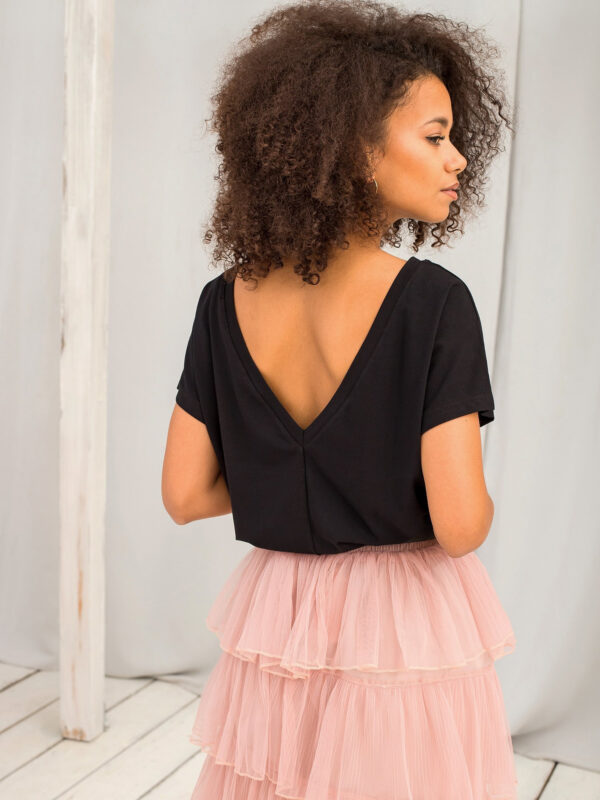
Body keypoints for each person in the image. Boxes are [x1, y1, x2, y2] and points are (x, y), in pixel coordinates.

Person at [162, 1, 518, 797]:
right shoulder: (433, 303)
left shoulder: (224, 301)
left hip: (279, 613)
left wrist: (290, 486)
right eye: (435, 136)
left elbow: (184, 494)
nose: (459, 159)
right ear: (357, 148)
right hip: (401, 624)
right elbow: (461, 525)